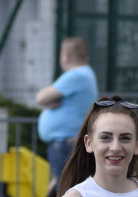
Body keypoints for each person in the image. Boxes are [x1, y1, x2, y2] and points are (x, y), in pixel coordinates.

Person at [35, 37, 99, 180]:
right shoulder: (86, 73)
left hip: (65, 143)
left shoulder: (76, 74)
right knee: (62, 185)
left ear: (66, 56)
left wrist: (45, 102)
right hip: (68, 142)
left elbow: (40, 97)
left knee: (65, 187)